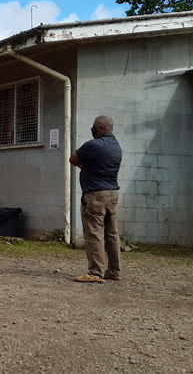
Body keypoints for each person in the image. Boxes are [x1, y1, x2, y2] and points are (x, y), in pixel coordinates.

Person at [69, 115, 123, 283]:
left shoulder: (93, 145)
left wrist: (82, 165)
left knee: (94, 234)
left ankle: (95, 272)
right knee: (112, 234)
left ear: (100, 128)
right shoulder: (116, 146)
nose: (92, 129)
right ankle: (114, 271)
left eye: (94, 126)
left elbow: (73, 159)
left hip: (95, 195)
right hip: (112, 194)